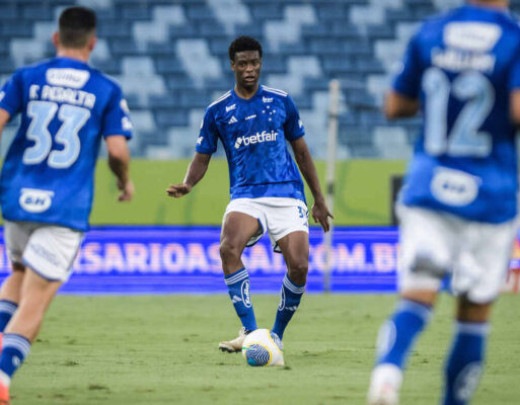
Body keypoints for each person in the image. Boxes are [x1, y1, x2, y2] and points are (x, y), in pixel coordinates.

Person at [367, 1, 520, 404]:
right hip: (489, 195)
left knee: (417, 297)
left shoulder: (431, 33)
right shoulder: (513, 39)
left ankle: (387, 375)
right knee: (474, 315)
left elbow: (394, 105)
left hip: (429, 188)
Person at [0, 6, 134, 403]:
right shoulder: (106, 90)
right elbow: (117, 150)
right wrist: (123, 180)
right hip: (64, 205)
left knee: (20, 275)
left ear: (56, 38)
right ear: (92, 43)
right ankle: (2, 377)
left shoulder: (26, 77)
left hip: (18, 198)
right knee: (36, 297)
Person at [167, 35, 332, 354]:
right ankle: (252, 330)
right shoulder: (218, 111)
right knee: (228, 248)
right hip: (246, 195)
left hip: (287, 191)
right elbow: (202, 156)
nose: (249, 69)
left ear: (261, 63)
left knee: (299, 266)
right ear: (232, 66)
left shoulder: (282, 101)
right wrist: (188, 183)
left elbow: (301, 152)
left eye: (254, 62)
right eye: (242, 63)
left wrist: (320, 201)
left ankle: (276, 335)